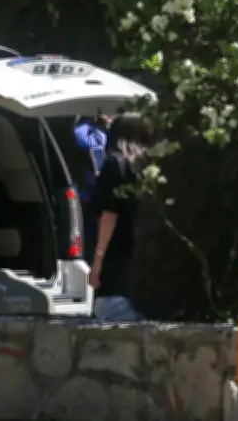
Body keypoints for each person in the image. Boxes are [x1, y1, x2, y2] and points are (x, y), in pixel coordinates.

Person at [88, 112, 153, 321]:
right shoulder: (149, 167)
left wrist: (97, 262)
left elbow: (109, 215)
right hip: (144, 260)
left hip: (116, 262)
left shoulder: (115, 164)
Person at [73, 113, 112, 262]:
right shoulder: (84, 132)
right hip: (86, 193)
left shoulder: (97, 132)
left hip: (92, 192)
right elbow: (90, 145)